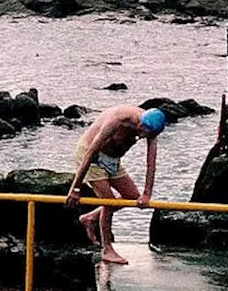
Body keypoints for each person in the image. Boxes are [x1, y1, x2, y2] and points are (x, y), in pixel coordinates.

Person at [63, 105, 166, 265]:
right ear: (140, 124)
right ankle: (107, 249)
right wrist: (75, 188)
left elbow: (151, 163)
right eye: (142, 133)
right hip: (92, 157)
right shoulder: (117, 121)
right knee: (109, 202)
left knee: (131, 196)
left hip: (112, 161)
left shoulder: (152, 129)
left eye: (147, 135)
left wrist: (147, 193)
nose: (142, 137)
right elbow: (91, 151)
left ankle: (90, 218)